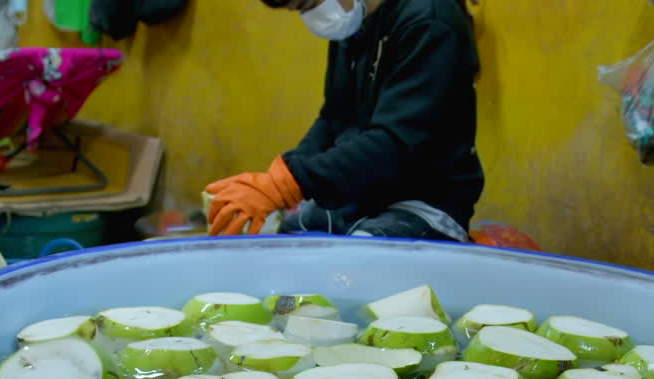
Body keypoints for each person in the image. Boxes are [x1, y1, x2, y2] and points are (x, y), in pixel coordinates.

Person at [205, 0, 484, 242]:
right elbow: (334, 119)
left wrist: (290, 184)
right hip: (361, 195)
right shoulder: (355, 24)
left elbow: (394, 146)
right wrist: (276, 179)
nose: (315, 17)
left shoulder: (430, 22)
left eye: (309, 5)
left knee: (355, 262)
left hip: (425, 201)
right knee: (285, 242)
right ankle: (287, 306)